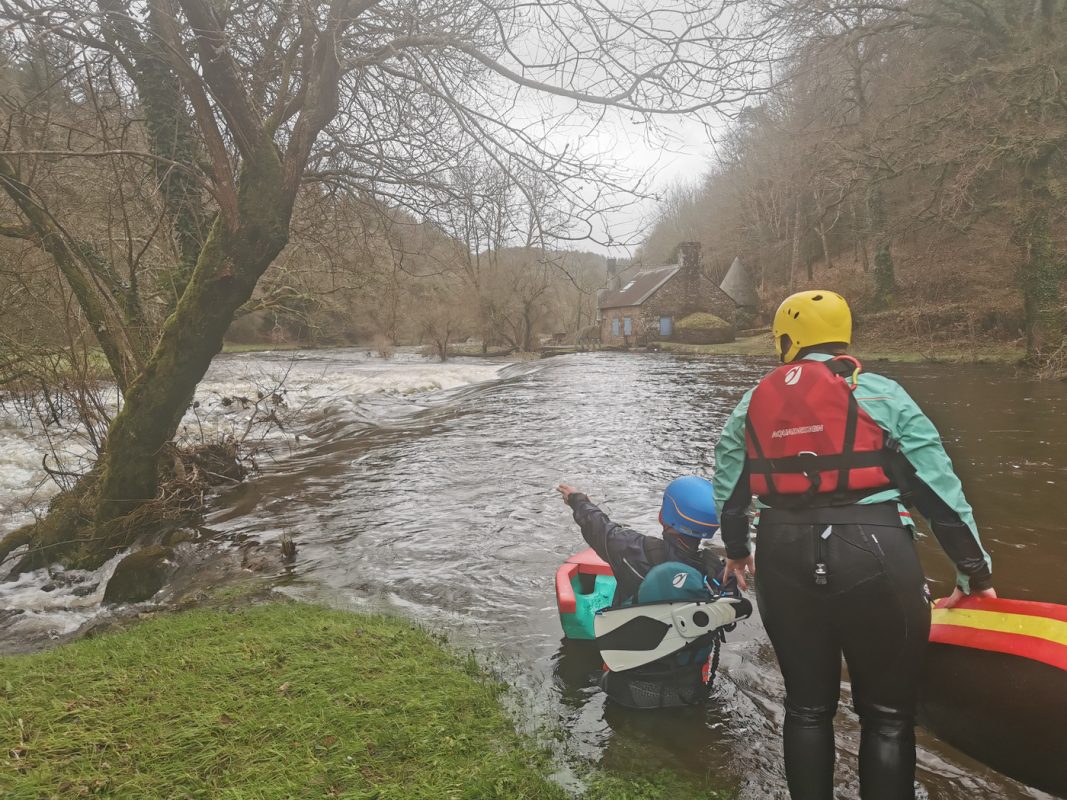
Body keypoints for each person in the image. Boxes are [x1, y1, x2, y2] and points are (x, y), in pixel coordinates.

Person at [712, 290, 995, 800]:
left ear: (787, 340)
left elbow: (730, 489)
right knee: (887, 717)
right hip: (876, 550)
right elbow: (939, 491)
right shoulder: (883, 394)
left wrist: (736, 550)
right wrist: (973, 572)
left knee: (806, 708)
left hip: (781, 555)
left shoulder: (751, 402)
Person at [557, 476, 739, 707]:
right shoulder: (719, 573)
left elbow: (598, 526)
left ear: (664, 515)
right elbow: (730, 619)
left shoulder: (631, 550)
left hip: (628, 687)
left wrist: (578, 500)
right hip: (688, 689)